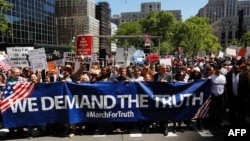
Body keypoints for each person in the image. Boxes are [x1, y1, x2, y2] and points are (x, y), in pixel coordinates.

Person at [153, 64, 173, 136]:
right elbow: (153, 84)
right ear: (159, 69)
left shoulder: (169, 75)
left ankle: (165, 128)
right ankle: (160, 125)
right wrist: (159, 83)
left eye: (165, 68)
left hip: (165, 96)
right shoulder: (155, 75)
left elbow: (172, 85)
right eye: (163, 68)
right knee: (158, 111)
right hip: (157, 96)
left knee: (165, 112)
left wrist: (166, 83)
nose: (165, 70)